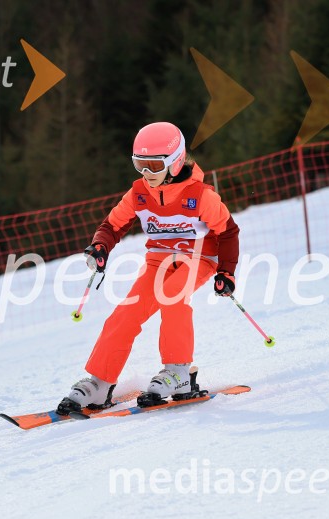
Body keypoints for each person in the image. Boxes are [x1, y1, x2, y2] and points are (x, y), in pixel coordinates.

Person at [56, 121, 240, 415]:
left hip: (198, 258)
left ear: (175, 161)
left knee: (172, 297)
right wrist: (100, 246)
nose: (146, 173)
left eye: (154, 166)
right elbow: (112, 225)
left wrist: (226, 272)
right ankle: (101, 382)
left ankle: (178, 373)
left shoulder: (201, 195)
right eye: (140, 164)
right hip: (158, 261)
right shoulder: (139, 192)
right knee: (126, 313)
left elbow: (228, 232)